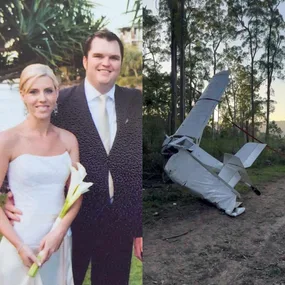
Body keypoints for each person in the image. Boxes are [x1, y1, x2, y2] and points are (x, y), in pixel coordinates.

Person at [5, 30, 143, 285]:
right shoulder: (60, 103)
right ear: (85, 61)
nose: (106, 62)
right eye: (98, 55)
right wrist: (9, 192)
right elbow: (31, 143)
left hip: (119, 225)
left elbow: (136, 166)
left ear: (121, 62)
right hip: (70, 227)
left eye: (113, 57)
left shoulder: (134, 102)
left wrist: (139, 227)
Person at [0, 64, 81, 284]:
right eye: (33, 91)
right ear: (22, 95)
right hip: (21, 244)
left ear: (57, 93)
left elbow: (76, 195)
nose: (42, 98)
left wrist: (60, 232)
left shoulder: (68, 140)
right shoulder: (7, 140)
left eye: (48, 90)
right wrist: (19, 246)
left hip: (58, 245)